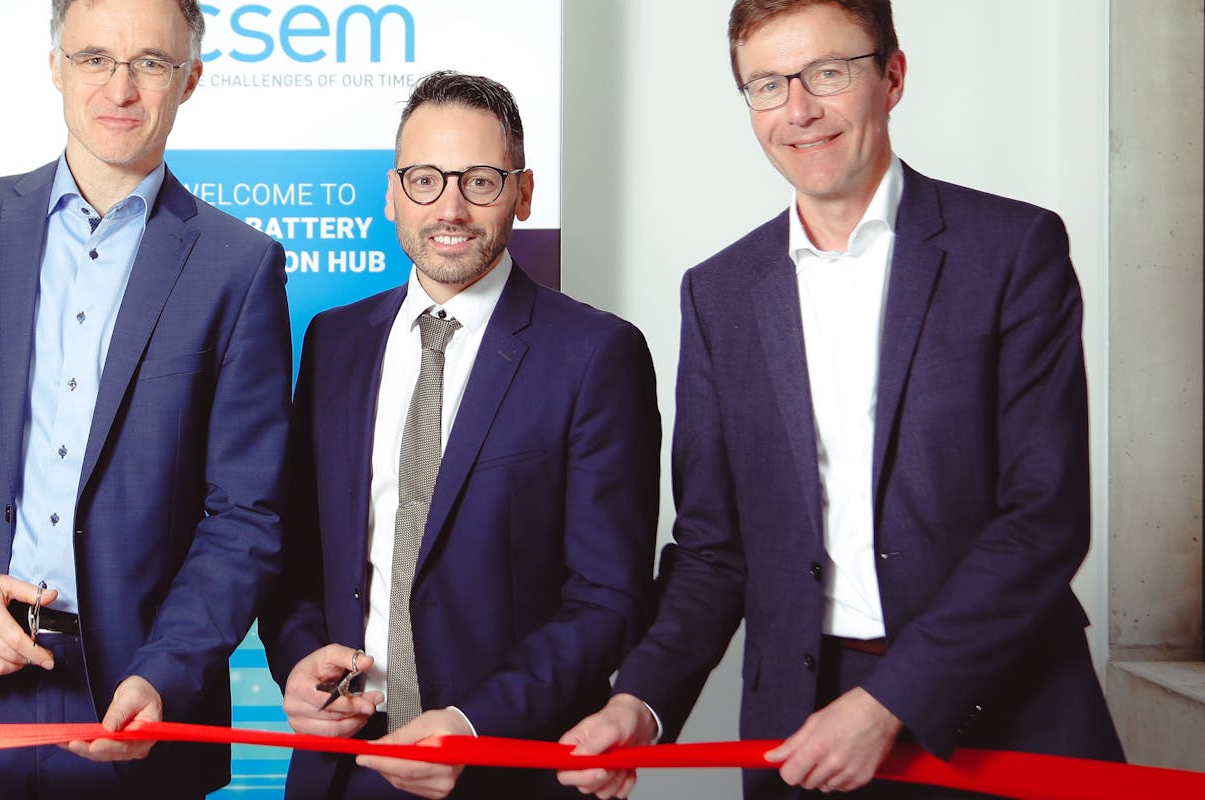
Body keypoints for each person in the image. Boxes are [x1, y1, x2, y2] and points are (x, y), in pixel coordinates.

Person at [556, 2, 1124, 798]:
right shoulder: (720, 292)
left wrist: (893, 699)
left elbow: (1043, 516)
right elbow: (715, 548)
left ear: (891, 76)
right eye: (766, 84)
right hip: (803, 729)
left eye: (828, 73)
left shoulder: (1012, 251)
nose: (798, 110)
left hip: (1005, 717)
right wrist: (641, 701)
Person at [0, 0, 290, 796]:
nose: (121, 87)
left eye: (151, 62)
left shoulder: (238, 267)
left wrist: (166, 675)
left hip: (134, 708)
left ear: (191, 81)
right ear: (55, 67)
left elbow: (246, 515)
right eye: (94, 59)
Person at [260, 71, 660, 800]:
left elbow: (609, 598)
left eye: (479, 181)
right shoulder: (334, 342)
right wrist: (296, 657)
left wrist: (474, 724)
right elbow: (295, 561)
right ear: (392, 193)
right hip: (342, 770)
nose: (449, 207)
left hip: (508, 769)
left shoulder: (596, 355)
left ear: (523, 193)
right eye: (424, 180)